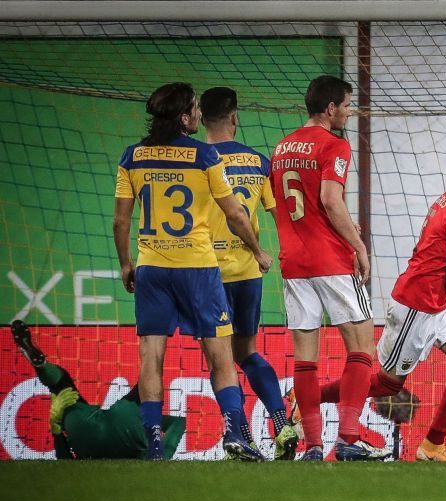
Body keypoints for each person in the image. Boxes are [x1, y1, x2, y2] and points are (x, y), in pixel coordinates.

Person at [301, 149, 446, 462]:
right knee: (386, 384)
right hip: (415, 305)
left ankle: (432, 445)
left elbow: (445, 261)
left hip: (438, 302)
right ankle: (305, 398)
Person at [113, 82, 272, 461]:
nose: (200, 115)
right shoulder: (203, 155)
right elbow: (234, 213)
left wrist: (125, 263)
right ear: (185, 117)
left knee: (151, 356)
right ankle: (236, 433)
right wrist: (256, 249)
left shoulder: (132, 157)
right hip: (199, 269)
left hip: (152, 269)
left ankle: (153, 445)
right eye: (195, 109)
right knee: (220, 355)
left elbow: (121, 220)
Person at [270, 75, 376, 462]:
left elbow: (286, 202)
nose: (349, 111)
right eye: (347, 105)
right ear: (331, 108)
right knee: (362, 346)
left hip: (294, 263)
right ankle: (347, 438)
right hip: (331, 259)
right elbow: (331, 200)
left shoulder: (282, 147)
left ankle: (313, 446)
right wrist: (358, 244)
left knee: (305, 358)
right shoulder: (335, 145)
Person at [200, 86, 298, 459]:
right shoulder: (259, 162)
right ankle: (280, 421)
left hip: (207, 273)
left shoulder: (197, 160)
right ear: (235, 117)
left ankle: (239, 434)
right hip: (248, 271)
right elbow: (279, 215)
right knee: (247, 352)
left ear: (200, 119)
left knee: (221, 361)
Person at [11, 320, 183, 460]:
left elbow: (65, 464)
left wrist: (56, 430)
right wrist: (160, 454)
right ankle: (155, 336)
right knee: (149, 381)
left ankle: (42, 366)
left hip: (86, 433)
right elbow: (179, 423)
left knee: (61, 384)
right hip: (126, 431)